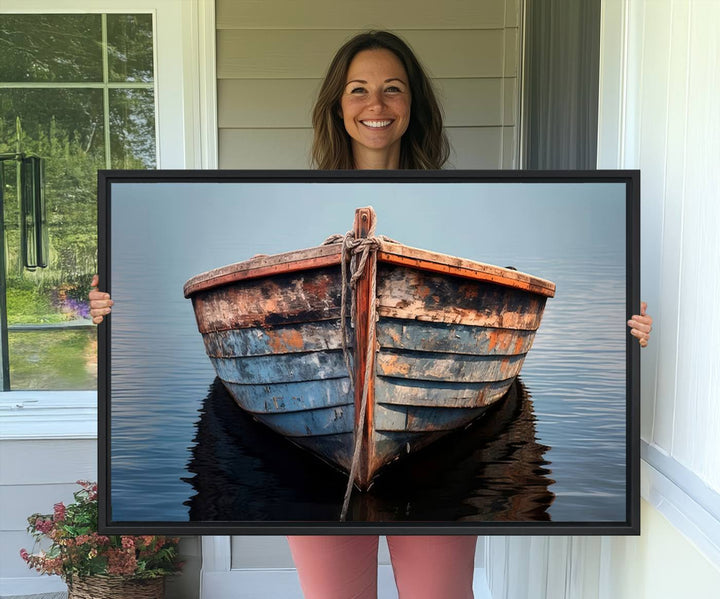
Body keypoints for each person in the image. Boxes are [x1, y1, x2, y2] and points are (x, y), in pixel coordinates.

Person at [89, 30, 653, 599]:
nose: (376, 105)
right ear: (338, 105)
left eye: (393, 89)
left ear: (413, 105)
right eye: (358, 90)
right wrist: (110, 312)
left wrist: (627, 332)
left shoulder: (465, 189)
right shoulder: (285, 185)